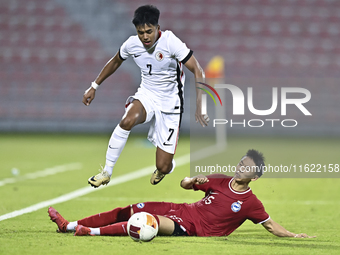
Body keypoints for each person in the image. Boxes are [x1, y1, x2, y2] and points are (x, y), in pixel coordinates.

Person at [48, 149, 315, 238]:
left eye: (247, 167)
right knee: (131, 208)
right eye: (241, 162)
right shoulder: (220, 181)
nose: (241, 167)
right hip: (181, 209)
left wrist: (293, 235)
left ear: (255, 177)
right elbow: (185, 184)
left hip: (190, 227)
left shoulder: (250, 202)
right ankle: (69, 225)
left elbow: (268, 224)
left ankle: (88, 232)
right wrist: (191, 180)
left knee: (143, 222)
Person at [82, 5, 208, 188]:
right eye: (141, 32)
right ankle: (106, 172)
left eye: (149, 31)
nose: (145, 37)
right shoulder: (132, 44)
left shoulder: (171, 42)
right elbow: (116, 60)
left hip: (170, 104)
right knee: (127, 120)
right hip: (147, 95)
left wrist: (200, 103)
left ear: (158, 27)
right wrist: (94, 86)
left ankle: (164, 169)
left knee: (163, 166)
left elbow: (197, 69)